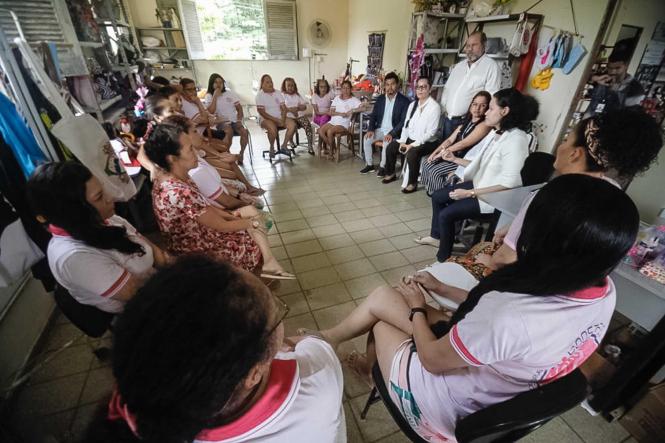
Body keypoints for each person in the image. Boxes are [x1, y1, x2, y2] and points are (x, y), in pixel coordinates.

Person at [299, 173, 638, 442]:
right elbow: (497, 324)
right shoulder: (602, 292)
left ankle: (375, 374)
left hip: (442, 405)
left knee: (382, 318)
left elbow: (434, 359)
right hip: (496, 380)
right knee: (384, 297)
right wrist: (441, 288)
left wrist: (418, 308)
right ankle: (332, 338)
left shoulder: (510, 314)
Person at [414, 108, 664, 310]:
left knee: (475, 253)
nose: (561, 146)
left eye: (566, 139)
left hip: (523, 290)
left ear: (576, 154)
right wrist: (514, 227)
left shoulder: (549, 197)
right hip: (563, 295)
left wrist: (490, 258)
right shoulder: (615, 199)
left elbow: (505, 260)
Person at [86, 255, 346, 442]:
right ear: (253, 374)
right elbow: (316, 346)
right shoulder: (316, 381)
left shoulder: (147, 404)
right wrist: (296, 343)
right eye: (277, 311)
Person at [144, 123, 294, 279]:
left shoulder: (176, 178)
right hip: (195, 247)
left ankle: (269, 264)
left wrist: (238, 217)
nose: (196, 152)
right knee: (251, 237)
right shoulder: (179, 191)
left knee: (250, 214)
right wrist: (251, 223)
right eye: (190, 149)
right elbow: (221, 226)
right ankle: (255, 279)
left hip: (199, 232)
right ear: (172, 158)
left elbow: (207, 209)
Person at [26, 162, 171, 313]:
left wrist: (169, 265)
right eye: (99, 197)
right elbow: (138, 295)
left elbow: (149, 248)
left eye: (103, 189)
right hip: (142, 308)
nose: (110, 198)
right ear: (73, 213)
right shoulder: (74, 258)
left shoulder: (104, 219)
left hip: (157, 284)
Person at [418, 88, 538, 262]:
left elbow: (510, 184)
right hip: (480, 185)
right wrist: (454, 160)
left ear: (504, 111)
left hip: (493, 197)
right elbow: (479, 164)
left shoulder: (516, 140)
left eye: (490, 108)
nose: (486, 112)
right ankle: (437, 237)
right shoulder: (495, 133)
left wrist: (469, 193)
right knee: (437, 196)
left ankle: (442, 259)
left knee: (446, 215)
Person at [421, 91, 492, 194]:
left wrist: (440, 154)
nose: (477, 108)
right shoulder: (466, 121)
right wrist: (434, 153)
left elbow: (463, 144)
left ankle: (441, 196)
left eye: (483, 105)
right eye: (475, 104)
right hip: (452, 156)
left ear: (487, 108)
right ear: (471, 105)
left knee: (435, 171)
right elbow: (449, 140)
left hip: (464, 161)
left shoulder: (484, 125)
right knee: (427, 162)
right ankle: (432, 190)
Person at [382, 77, 441, 193]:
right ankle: (391, 173)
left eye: (424, 87)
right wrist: (403, 140)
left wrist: (412, 145)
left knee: (412, 152)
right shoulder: (413, 105)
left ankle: (412, 183)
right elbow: (406, 125)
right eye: (418, 87)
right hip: (410, 138)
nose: (420, 90)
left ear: (430, 89)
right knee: (391, 147)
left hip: (428, 142)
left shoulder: (435, 107)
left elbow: (431, 133)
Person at [441, 32, 501, 140]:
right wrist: (443, 107)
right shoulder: (459, 66)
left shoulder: (491, 67)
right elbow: (447, 88)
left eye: (474, 45)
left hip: (467, 122)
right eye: (468, 46)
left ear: (484, 45)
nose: (469, 49)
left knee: (457, 153)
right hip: (448, 119)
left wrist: (479, 120)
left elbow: (491, 97)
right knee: (442, 151)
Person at [360, 71, 411, 175]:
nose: (390, 87)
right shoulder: (380, 99)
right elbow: (373, 116)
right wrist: (370, 130)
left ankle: (383, 167)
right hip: (380, 129)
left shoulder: (404, 101)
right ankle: (369, 165)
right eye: (387, 84)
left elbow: (403, 122)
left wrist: (391, 134)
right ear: (384, 86)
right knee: (366, 138)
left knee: (387, 142)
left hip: (394, 132)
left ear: (398, 85)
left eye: (392, 84)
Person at [586, 43, 646, 117]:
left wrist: (613, 91)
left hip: (608, 126)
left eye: (617, 68)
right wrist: (594, 78)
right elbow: (585, 80)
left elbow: (628, 117)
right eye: (609, 67)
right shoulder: (604, 76)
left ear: (626, 66)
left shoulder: (636, 89)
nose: (612, 72)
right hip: (588, 121)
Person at [203, 73, 250, 164]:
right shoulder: (209, 96)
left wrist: (239, 120)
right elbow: (210, 112)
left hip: (234, 121)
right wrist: (215, 96)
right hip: (220, 122)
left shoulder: (230, 93)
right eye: (216, 82)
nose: (219, 84)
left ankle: (241, 154)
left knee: (244, 132)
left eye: (221, 82)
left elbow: (239, 108)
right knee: (228, 130)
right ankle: (226, 154)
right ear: (211, 84)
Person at [318, 80, 363, 160]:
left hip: (343, 124)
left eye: (348, 88)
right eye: (344, 88)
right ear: (341, 89)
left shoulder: (354, 100)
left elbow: (363, 107)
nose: (345, 90)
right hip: (333, 121)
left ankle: (331, 152)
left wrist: (352, 110)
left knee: (330, 131)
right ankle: (333, 147)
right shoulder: (336, 98)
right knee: (320, 130)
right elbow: (331, 112)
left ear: (351, 89)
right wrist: (340, 114)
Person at [256, 74, 296, 159]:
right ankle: (271, 147)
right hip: (265, 118)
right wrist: (277, 120)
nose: (270, 84)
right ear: (262, 84)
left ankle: (284, 145)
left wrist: (283, 119)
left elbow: (284, 108)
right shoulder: (260, 95)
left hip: (279, 116)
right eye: (267, 82)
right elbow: (262, 112)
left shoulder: (277, 93)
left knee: (292, 125)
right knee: (272, 128)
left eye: (271, 82)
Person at [282, 77, 315, 155]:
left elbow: (304, 107)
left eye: (292, 85)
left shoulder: (297, 95)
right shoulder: (282, 95)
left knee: (307, 125)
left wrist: (297, 108)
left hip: (299, 116)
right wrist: (291, 110)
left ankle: (310, 146)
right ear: (285, 86)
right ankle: (290, 141)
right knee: (292, 126)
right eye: (288, 85)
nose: (290, 87)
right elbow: (281, 108)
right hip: (288, 117)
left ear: (295, 86)